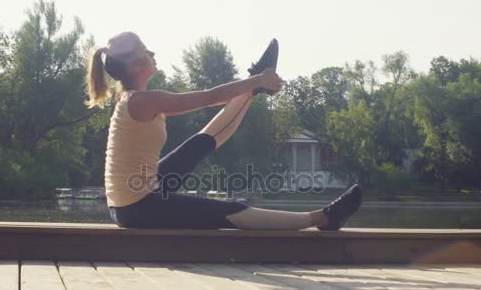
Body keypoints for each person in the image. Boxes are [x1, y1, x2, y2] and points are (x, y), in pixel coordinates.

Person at [84, 31, 362, 230]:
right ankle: (321, 219)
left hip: (137, 193)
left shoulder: (136, 99)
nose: (153, 53)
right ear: (135, 65)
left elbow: (210, 113)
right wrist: (255, 79)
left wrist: (253, 83)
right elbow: (208, 97)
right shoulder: (142, 100)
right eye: (146, 51)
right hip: (137, 207)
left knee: (199, 144)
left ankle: (255, 87)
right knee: (232, 209)